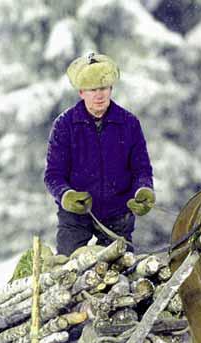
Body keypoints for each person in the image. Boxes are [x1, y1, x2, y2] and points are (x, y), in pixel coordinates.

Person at [44, 52, 155, 255]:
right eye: (92, 89)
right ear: (81, 93)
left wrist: (143, 191)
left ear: (111, 89)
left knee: (121, 274)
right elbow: (53, 175)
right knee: (67, 271)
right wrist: (66, 195)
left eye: (103, 88)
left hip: (118, 216)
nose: (99, 95)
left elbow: (142, 169)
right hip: (75, 217)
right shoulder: (64, 125)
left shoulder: (129, 123)